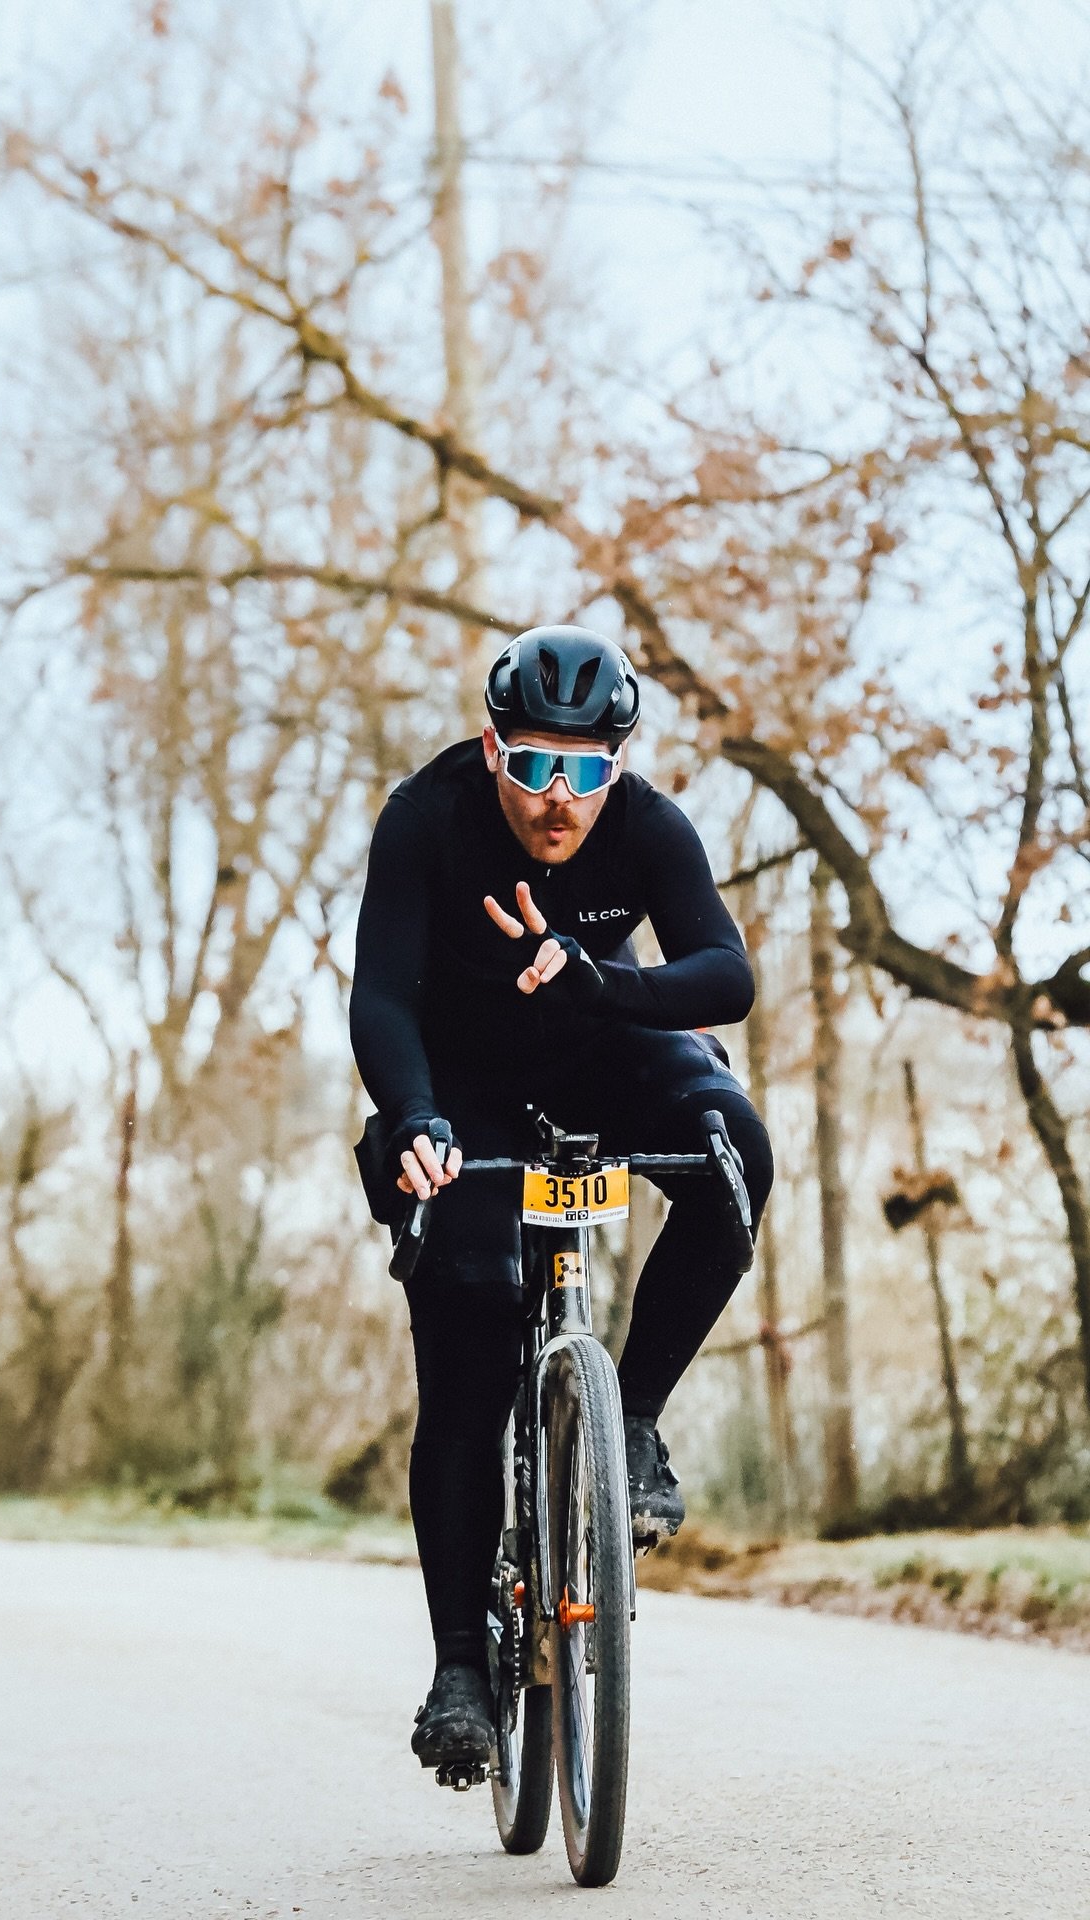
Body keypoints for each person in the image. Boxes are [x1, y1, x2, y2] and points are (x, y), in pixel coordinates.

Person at [348, 623, 773, 1774]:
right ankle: (457, 1673)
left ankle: (628, 1421)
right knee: (470, 1326)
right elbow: (381, 996)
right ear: (492, 749)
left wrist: (606, 980)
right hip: (462, 1091)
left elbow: (725, 976)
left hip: (602, 1045)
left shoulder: (647, 830)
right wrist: (416, 1118)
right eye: (533, 763)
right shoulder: (427, 818)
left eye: (585, 771)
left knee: (736, 1147)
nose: (557, 797)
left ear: (617, 767)